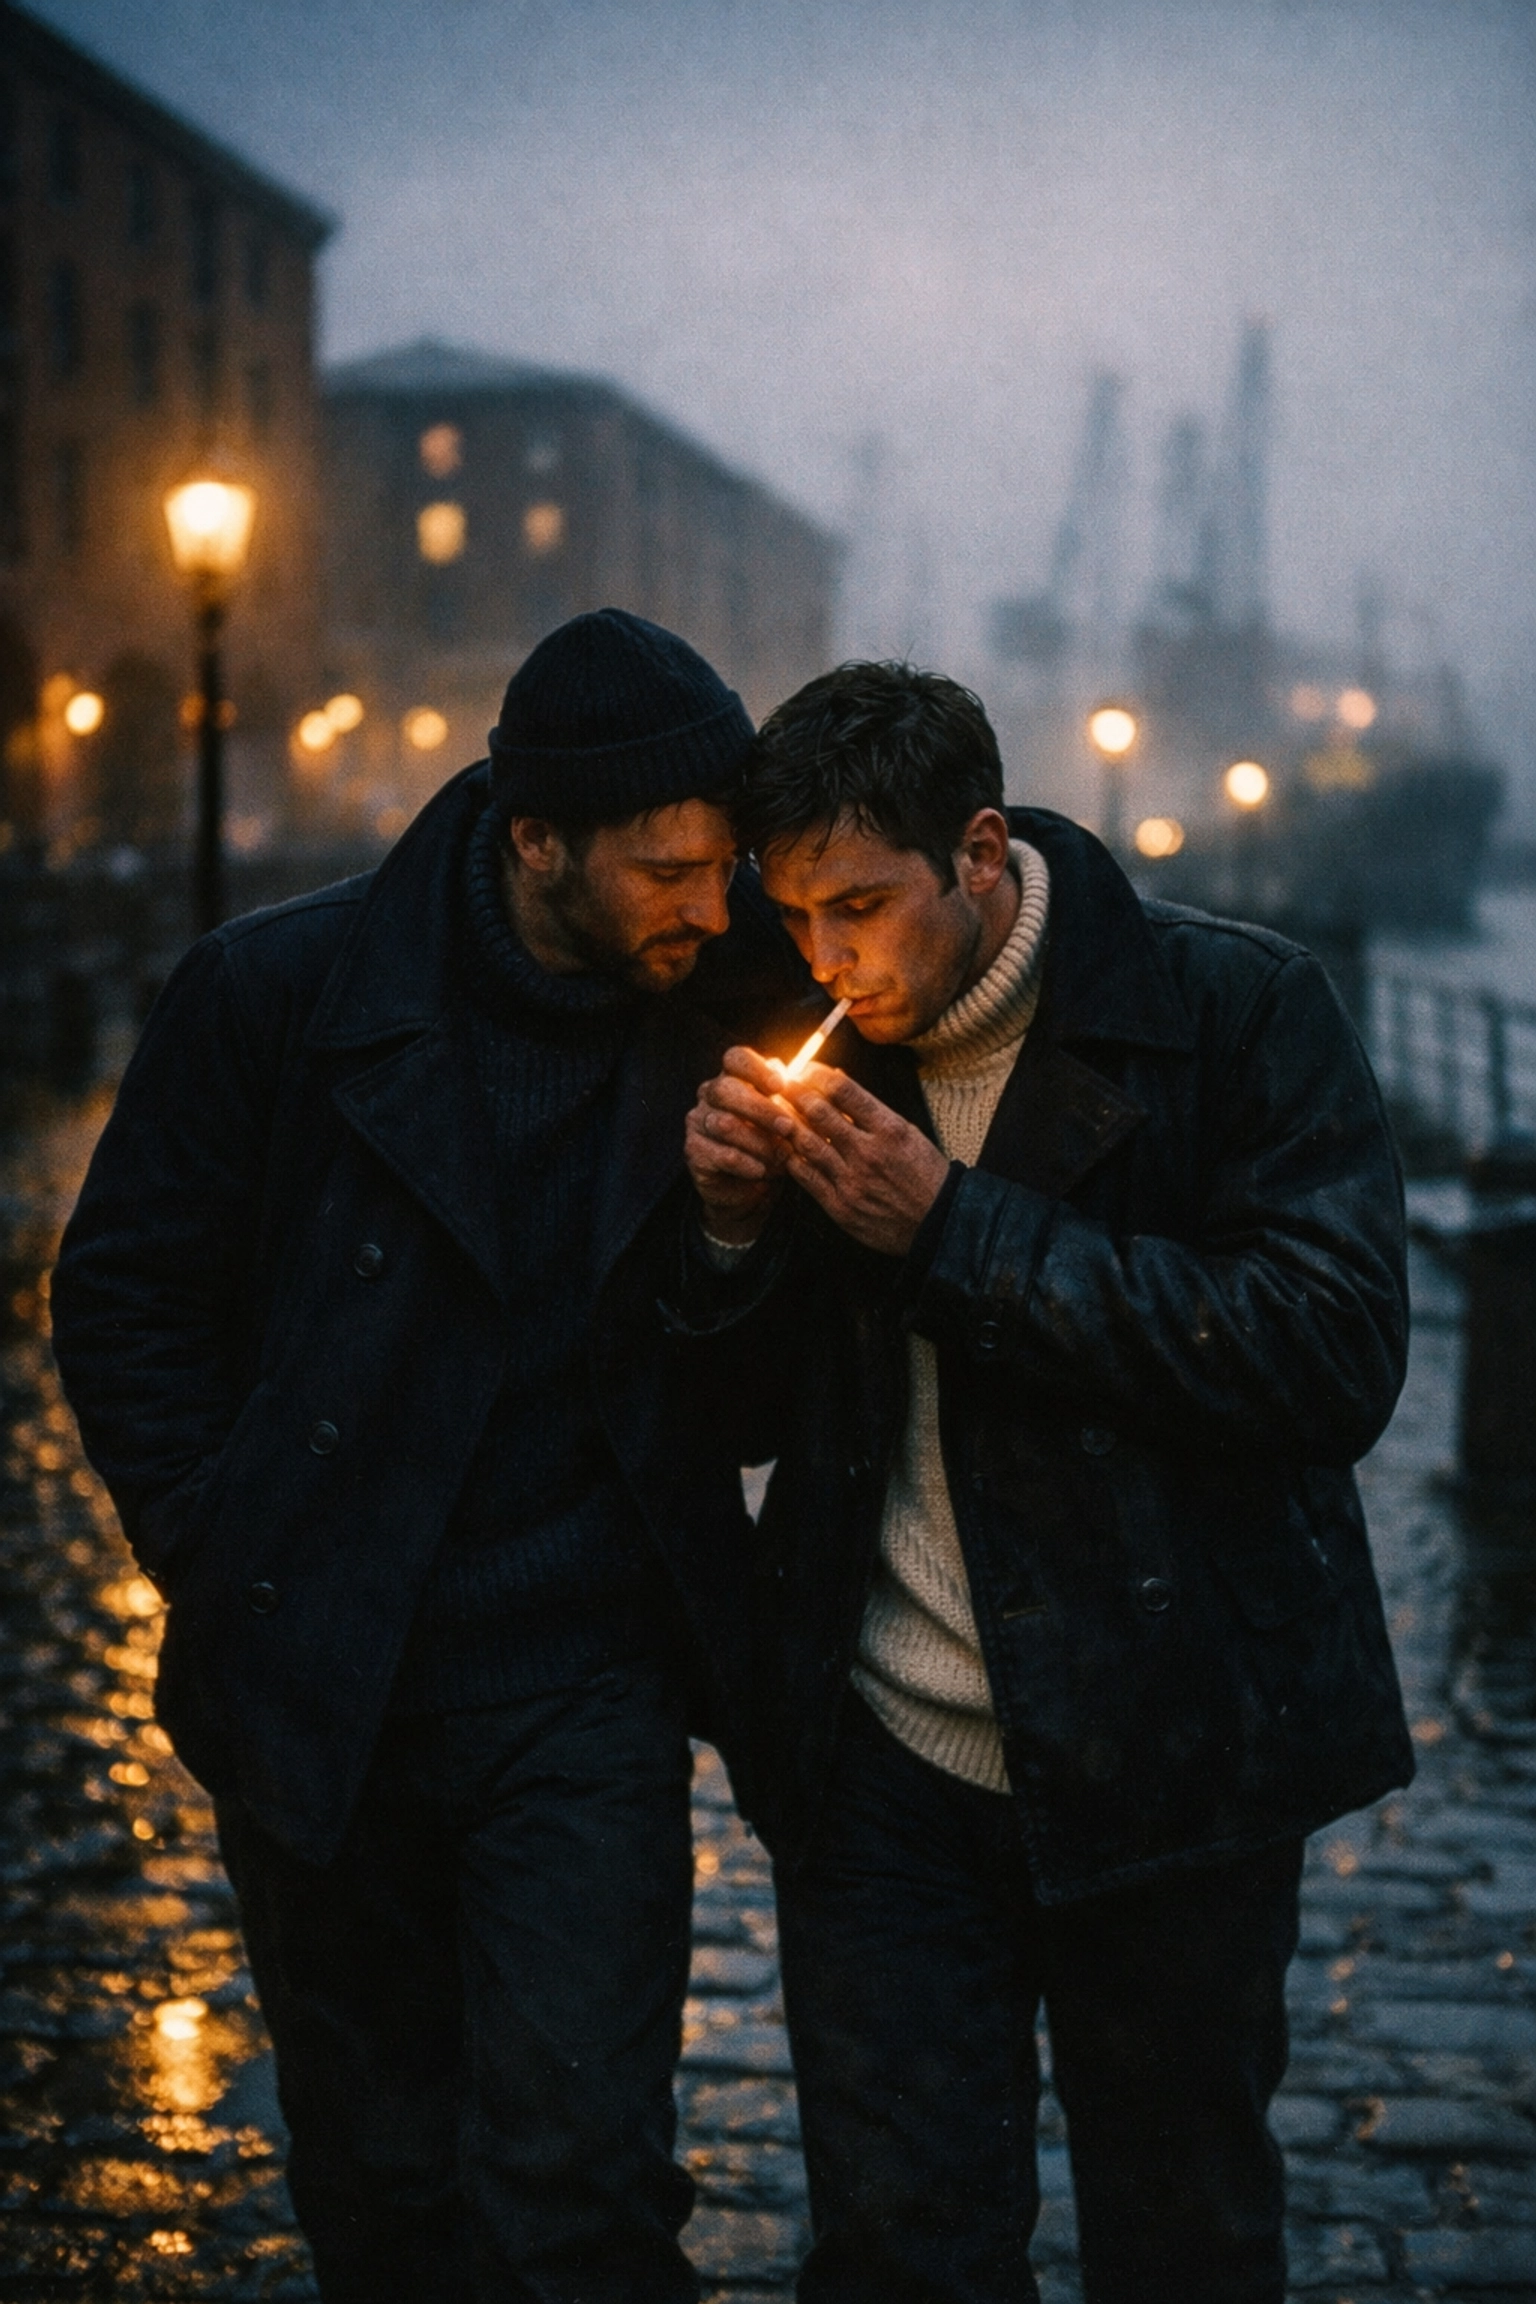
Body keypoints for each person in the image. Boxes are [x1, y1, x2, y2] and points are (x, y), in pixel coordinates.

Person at [51, 609, 804, 2304]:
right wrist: (229, 1547)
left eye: (727, 865)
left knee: (580, 2187)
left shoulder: (732, 999)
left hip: (583, 1686)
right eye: (673, 870)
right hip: (329, 1683)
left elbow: (763, 1390)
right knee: (381, 2184)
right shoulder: (277, 994)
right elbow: (123, 1299)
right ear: (535, 837)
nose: (714, 903)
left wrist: (745, 1244)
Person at [683, 659, 1415, 2304]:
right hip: (884, 1759)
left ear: (986, 852)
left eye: (861, 904)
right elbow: (735, 1415)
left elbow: (1333, 1352)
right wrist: (728, 1231)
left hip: (1173, 1751)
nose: (828, 957)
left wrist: (956, 1232)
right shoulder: (823, 1048)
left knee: (1184, 2231)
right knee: (901, 2251)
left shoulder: (1234, 1009)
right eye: (794, 917)